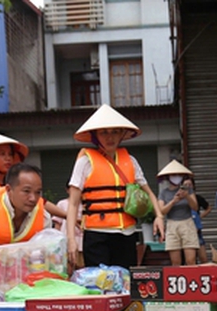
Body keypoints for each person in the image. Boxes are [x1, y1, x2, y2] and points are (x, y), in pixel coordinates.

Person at [65, 104, 164, 270]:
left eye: (114, 132)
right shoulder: (85, 161)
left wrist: (159, 216)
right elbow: (73, 203)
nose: (109, 137)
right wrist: (71, 240)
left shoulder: (130, 161)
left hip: (127, 234)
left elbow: (149, 192)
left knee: (125, 284)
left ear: (122, 134)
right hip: (96, 235)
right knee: (99, 285)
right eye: (104, 132)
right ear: (95, 135)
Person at [157, 160, 199, 266]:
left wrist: (187, 196)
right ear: (168, 177)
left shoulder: (188, 190)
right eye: (173, 175)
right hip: (172, 224)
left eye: (178, 174)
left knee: (190, 260)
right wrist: (173, 201)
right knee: (175, 262)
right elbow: (161, 211)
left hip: (187, 223)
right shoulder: (164, 193)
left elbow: (195, 207)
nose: (176, 176)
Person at [192, 193, 212, 264]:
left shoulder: (197, 198)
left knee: (203, 258)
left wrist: (199, 217)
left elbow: (208, 208)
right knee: (191, 259)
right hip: (185, 231)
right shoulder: (180, 199)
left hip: (197, 231)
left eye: (189, 185)